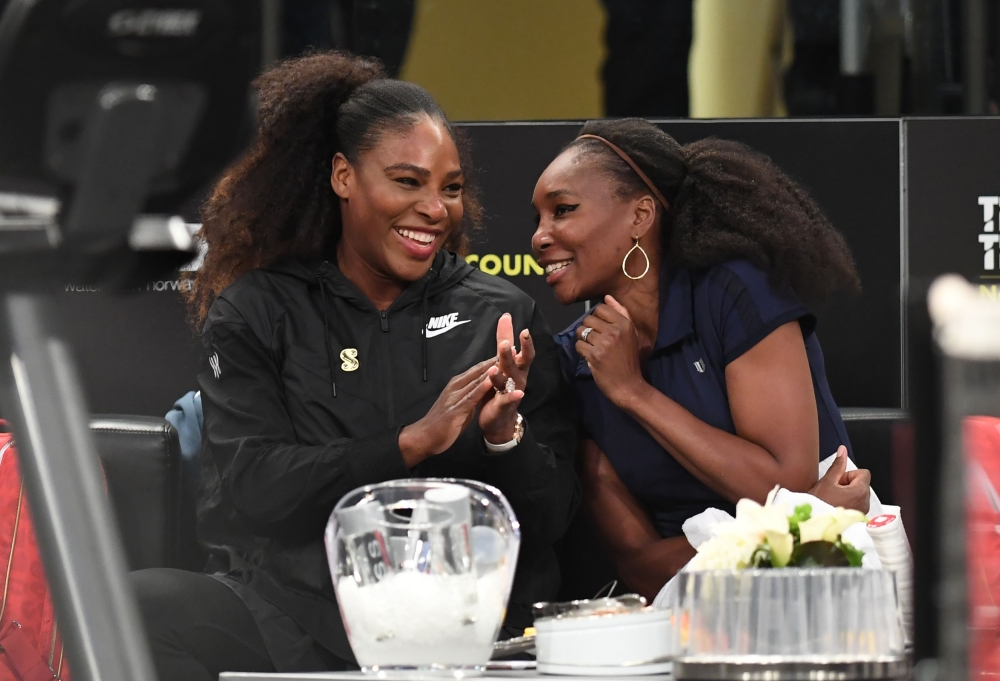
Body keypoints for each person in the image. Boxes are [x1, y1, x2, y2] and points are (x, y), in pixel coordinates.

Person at [130, 52, 579, 681]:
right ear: (344, 176)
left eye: (449, 188)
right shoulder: (260, 309)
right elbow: (253, 487)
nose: (434, 208)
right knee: (141, 609)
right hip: (296, 615)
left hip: (465, 627)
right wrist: (408, 445)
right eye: (407, 181)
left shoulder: (501, 315)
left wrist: (506, 440)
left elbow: (554, 517)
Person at [532, 118, 870, 600]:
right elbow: (642, 566)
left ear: (640, 216)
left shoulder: (733, 292)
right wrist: (801, 522)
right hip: (688, 616)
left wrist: (634, 394)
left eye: (563, 210)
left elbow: (786, 486)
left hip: (823, 588)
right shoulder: (573, 362)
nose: (540, 237)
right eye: (538, 219)